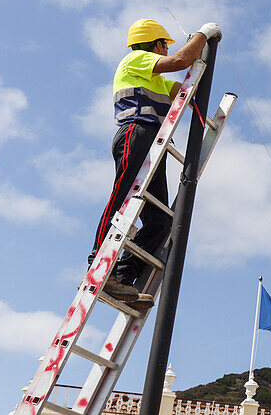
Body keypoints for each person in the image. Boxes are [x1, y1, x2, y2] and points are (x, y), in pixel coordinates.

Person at [89, 18, 222, 304]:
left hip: (153, 144)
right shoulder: (134, 60)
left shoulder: (157, 80)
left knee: (159, 220)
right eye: (164, 45)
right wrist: (203, 34)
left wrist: (198, 56)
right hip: (134, 133)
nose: (165, 51)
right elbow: (180, 60)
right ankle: (96, 265)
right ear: (156, 43)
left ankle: (123, 279)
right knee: (122, 200)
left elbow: (188, 91)